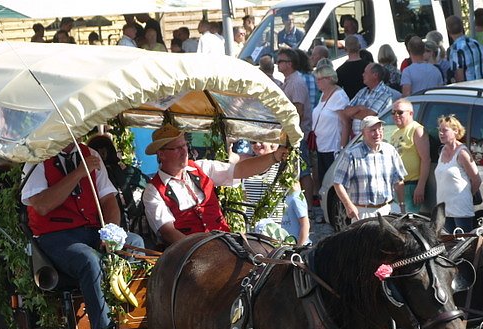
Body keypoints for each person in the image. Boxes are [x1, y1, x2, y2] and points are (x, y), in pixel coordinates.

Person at [20, 140, 137, 329]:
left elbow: (108, 199)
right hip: (55, 236)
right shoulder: (36, 158)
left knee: (136, 245)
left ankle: (135, 325)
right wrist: (78, 173)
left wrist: (112, 230)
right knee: (90, 261)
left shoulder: (90, 153)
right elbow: (42, 205)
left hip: (91, 230)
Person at [141, 124, 289, 244]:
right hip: (189, 253)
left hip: (225, 241)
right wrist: (199, 251)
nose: (184, 151)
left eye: (185, 145)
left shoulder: (202, 167)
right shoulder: (152, 190)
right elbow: (168, 231)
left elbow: (240, 170)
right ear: (161, 154)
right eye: (177, 148)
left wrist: (274, 157)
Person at [332, 115, 407, 222]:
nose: (377, 133)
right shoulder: (352, 154)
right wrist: (348, 205)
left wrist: (401, 205)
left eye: (380, 129)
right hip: (363, 212)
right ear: (363, 133)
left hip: (388, 209)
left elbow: (399, 181)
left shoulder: (390, 151)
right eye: (372, 130)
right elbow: (338, 183)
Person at [278, 48, 315, 205]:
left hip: (297, 134)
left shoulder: (297, 82)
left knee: (304, 171)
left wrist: (291, 133)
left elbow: (298, 110)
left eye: (281, 61)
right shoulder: (290, 81)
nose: (277, 63)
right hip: (291, 133)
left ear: (290, 64)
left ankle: (307, 206)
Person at [435, 115, 481, 232]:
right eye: (439, 130)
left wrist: (465, 195)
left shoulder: (462, 153)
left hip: (461, 209)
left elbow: (476, 180)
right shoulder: (442, 150)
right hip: (443, 209)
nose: (441, 133)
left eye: (445, 130)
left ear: (455, 131)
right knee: (446, 245)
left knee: (462, 244)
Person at [340, 62, 400, 147]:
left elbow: (369, 117)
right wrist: (359, 108)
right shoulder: (362, 91)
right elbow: (345, 111)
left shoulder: (385, 94)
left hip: (372, 140)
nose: (363, 74)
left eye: (365, 72)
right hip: (356, 139)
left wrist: (353, 113)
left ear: (375, 75)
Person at [390, 99, 430, 214]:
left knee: (409, 222)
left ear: (411, 113)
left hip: (412, 185)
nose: (396, 115)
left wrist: (420, 186)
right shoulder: (395, 133)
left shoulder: (417, 130)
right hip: (397, 186)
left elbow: (426, 160)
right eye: (393, 113)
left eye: (400, 112)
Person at [311, 63, 350, 180]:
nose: (317, 82)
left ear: (328, 79)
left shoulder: (339, 96)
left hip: (333, 147)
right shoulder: (323, 93)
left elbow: (346, 123)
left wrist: (342, 148)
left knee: (333, 180)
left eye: (319, 79)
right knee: (323, 179)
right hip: (321, 146)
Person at [446, 15, 483, 82]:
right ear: (462, 28)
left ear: (448, 32)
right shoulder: (476, 44)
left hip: (469, 89)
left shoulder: (455, 49)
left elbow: (459, 76)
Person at [336, 35, 370, 100]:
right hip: (367, 103)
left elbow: (338, 91)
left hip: (350, 104)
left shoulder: (340, 70)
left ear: (345, 49)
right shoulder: (369, 67)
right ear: (359, 46)